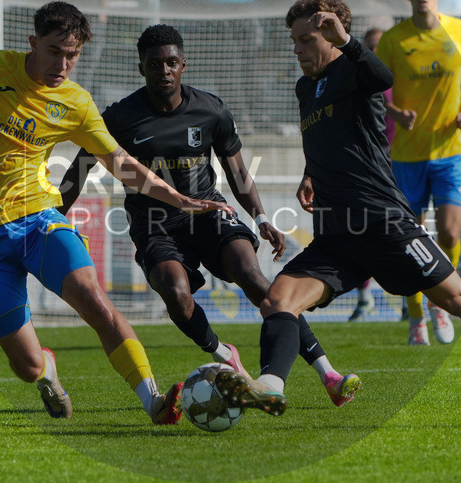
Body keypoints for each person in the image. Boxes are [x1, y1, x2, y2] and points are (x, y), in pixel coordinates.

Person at [211, 0, 461, 429]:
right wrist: (311, 173)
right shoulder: (305, 87)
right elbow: (329, 137)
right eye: (293, 40)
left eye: (306, 39)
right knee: (277, 299)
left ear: (331, 35)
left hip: (386, 224)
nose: (297, 49)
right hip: (337, 235)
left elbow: (382, 75)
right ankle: (271, 385)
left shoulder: (354, 68)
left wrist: (348, 41)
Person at [0, 1, 233, 424]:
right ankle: (47, 371)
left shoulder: (76, 103)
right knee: (26, 367)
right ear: (33, 43)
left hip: (37, 219)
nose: (62, 64)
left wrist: (179, 199)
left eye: (73, 55)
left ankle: (152, 399)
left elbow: (122, 163)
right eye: (54, 52)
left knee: (95, 300)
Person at [58, 24, 361, 407]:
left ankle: (328, 374)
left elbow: (237, 173)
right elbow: (78, 170)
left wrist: (261, 217)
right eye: (154, 64)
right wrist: (51, 221)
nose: (163, 71)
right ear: (141, 69)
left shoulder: (210, 109)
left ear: (183, 64)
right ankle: (224, 354)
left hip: (208, 212)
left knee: (255, 280)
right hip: (155, 226)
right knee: (176, 294)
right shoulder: (120, 117)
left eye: (171, 62)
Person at [375, 0, 461, 346]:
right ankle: (416, 314)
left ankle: (443, 305)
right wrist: (395, 112)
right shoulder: (393, 39)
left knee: (449, 231)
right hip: (407, 155)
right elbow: (375, 89)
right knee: (411, 239)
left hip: (452, 151)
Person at [347, 25, 395, 324]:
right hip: (367, 170)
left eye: (381, 47)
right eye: (370, 47)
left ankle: (409, 301)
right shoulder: (357, 81)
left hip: (399, 166)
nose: (375, 53)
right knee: (362, 233)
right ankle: (365, 299)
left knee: (405, 231)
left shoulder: (394, 81)